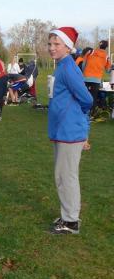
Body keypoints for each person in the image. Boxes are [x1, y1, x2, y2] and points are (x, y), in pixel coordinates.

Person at [46, 27, 93, 234]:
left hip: (69, 132)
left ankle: (71, 221)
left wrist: (76, 119)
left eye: (57, 44)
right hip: (62, 130)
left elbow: (87, 99)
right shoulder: (62, 66)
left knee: (66, 177)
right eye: (50, 44)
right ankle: (68, 215)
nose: (51, 48)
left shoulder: (68, 68)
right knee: (62, 176)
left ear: (67, 47)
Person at [80, 40, 111, 116]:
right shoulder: (106, 56)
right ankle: (92, 114)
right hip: (96, 79)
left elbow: (83, 63)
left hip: (86, 77)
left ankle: (81, 112)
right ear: (106, 47)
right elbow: (108, 70)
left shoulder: (91, 52)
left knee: (83, 95)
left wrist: (83, 73)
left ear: (99, 45)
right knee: (93, 97)